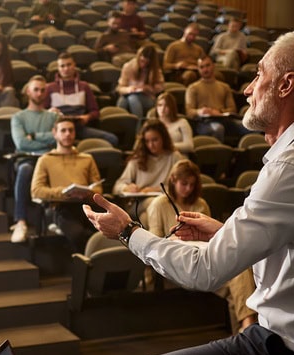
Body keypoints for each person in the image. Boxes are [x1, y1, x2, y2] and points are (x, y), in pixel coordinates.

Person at [83, 29, 294, 355]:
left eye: (258, 75)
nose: (248, 89)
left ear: (286, 85)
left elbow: (203, 273)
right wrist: (223, 232)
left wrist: (128, 231)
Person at [146, 160, 257, 332]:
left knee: (238, 275)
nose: (188, 189)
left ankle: (243, 331)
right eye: (184, 184)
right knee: (239, 277)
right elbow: (154, 244)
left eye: (192, 184)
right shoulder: (159, 205)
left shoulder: (200, 204)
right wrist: (175, 241)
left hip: (204, 259)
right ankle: (247, 329)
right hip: (175, 264)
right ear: (173, 180)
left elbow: (211, 241)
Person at [31, 116, 102, 253]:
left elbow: (98, 187)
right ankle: (87, 267)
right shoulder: (45, 160)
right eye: (63, 131)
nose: (68, 134)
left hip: (86, 205)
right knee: (79, 235)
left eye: (71, 130)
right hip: (62, 207)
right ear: (54, 133)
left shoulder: (87, 159)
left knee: (109, 231)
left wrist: (87, 193)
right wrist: (63, 192)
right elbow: (36, 190)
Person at [9, 75, 57, 243]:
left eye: (43, 90)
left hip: (50, 159)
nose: (39, 93)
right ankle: (20, 222)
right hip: (27, 159)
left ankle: (57, 219)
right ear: (28, 91)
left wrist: (35, 136)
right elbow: (21, 143)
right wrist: (47, 138)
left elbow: (57, 139)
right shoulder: (19, 117)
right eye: (36, 89)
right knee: (25, 170)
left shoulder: (53, 117)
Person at [112, 119, 186, 221]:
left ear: (163, 138)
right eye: (147, 141)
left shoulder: (174, 157)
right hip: (139, 203)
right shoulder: (138, 159)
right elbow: (117, 186)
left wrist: (157, 189)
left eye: (155, 140)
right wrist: (126, 188)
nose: (151, 145)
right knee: (155, 203)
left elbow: (183, 186)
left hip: (167, 201)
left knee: (145, 218)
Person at [45, 52, 117, 146]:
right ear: (58, 68)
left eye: (69, 65)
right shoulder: (50, 88)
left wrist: (87, 117)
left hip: (79, 127)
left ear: (74, 65)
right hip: (59, 129)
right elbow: (41, 112)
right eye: (62, 66)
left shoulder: (84, 86)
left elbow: (95, 111)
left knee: (112, 139)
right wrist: (49, 112)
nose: (66, 68)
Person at [184, 55, 248, 144]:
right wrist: (200, 111)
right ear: (198, 69)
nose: (205, 69)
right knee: (218, 129)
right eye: (202, 67)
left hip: (224, 120)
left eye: (207, 65)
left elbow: (232, 109)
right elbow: (189, 112)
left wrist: (218, 111)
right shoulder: (192, 88)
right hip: (204, 123)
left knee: (248, 127)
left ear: (213, 66)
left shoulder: (225, 87)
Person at [116, 44, 163, 119]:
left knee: (132, 98)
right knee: (123, 101)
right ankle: (123, 124)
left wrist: (148, 88)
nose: (143, 65)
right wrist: (129, 89)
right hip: (128, 94)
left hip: (147, 97)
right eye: (142, 61)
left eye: (146, 63)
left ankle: (139, 122)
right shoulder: (128, 67)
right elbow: (120, 88)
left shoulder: (155, 70)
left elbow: (160, 87)